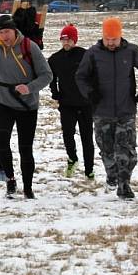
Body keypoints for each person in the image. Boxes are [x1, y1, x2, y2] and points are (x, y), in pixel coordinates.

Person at [75, 17, 138, 200]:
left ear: (120, 36)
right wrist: (90, 93)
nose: (111, 43)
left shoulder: (132, 51)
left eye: (114, 39)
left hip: (126, 111)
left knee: (127, 151)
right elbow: (80, 77)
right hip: (101, 112)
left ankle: (124, 185)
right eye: (107, 39)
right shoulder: (93, 54)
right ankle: (112, 173)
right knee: (107, 150)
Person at [0, 14, 53, 199]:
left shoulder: (29, 47)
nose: (4, 36)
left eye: (7, 31)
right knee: (2, 144)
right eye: (0, 32)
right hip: (2, 102)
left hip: (27, 104)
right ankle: (10, 180)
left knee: (25, 148)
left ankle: (28, 187)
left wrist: (29, 88)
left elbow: (47, 75)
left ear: (14, 30)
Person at [48, 24, 94, 180]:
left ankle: (89, 170)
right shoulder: (55, 59)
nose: (66, 43)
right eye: (63, 40)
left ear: (75, 40)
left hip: (86, 104)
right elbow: (51, 77)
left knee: (87, 138)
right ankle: (72, 159)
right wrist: (55, 93)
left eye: (69, 39)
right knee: (67, 135)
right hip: (66, 104)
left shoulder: (85, 55)